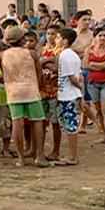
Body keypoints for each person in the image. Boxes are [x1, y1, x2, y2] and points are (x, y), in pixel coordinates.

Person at [1, 26, 47, 168]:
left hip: (13, 92)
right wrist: (39, 86)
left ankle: (21, 158)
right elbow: (39, 72)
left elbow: (3, 73)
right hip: (31, 90)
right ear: (22, 39)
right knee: (38, 121)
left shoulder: (3, 54)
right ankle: (39, 156)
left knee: (17, 124)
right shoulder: (31, 53)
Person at [85, 26, 105, 148]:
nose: (103, 38)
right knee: (98, 110)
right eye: (100, 35)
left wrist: (94, 64)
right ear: (95, 37)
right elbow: (85, 65)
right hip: (93, 83)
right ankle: (104, 135)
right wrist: (100, 65)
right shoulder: (89, 49)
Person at [56, 28, 83, 166]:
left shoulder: (65, 55)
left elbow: (72, 77)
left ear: (65, 40)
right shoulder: (72, 55)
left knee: (70, 126)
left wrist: (80, 89)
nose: (56, 40)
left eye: (58, 37)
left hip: (68, 95)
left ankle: (73, 156)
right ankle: (71, 155)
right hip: (68, 94)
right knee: (68, 126)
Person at [39, 25, 62, 160]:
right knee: (41, 122)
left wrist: (44, 61)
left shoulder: (61, 51)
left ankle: (56, 151)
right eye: (48, 33)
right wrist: (48, 61)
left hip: (55, 90)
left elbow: (57, 67)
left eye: (53, 34)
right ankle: (40, 150)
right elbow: (39, 63)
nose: (50, 36)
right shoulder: (42, 49)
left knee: (55, 122)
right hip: (43, 90)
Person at [71, 11, 95, 133]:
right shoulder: (72, 34)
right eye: (84, 19)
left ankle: (83, 124)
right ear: (76, 20)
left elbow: (91, 52)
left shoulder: (92, 35)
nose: (87, 22)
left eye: (88, 19)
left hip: (86, 68)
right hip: (71, 68)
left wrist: (81, 53)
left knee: (85, 97)